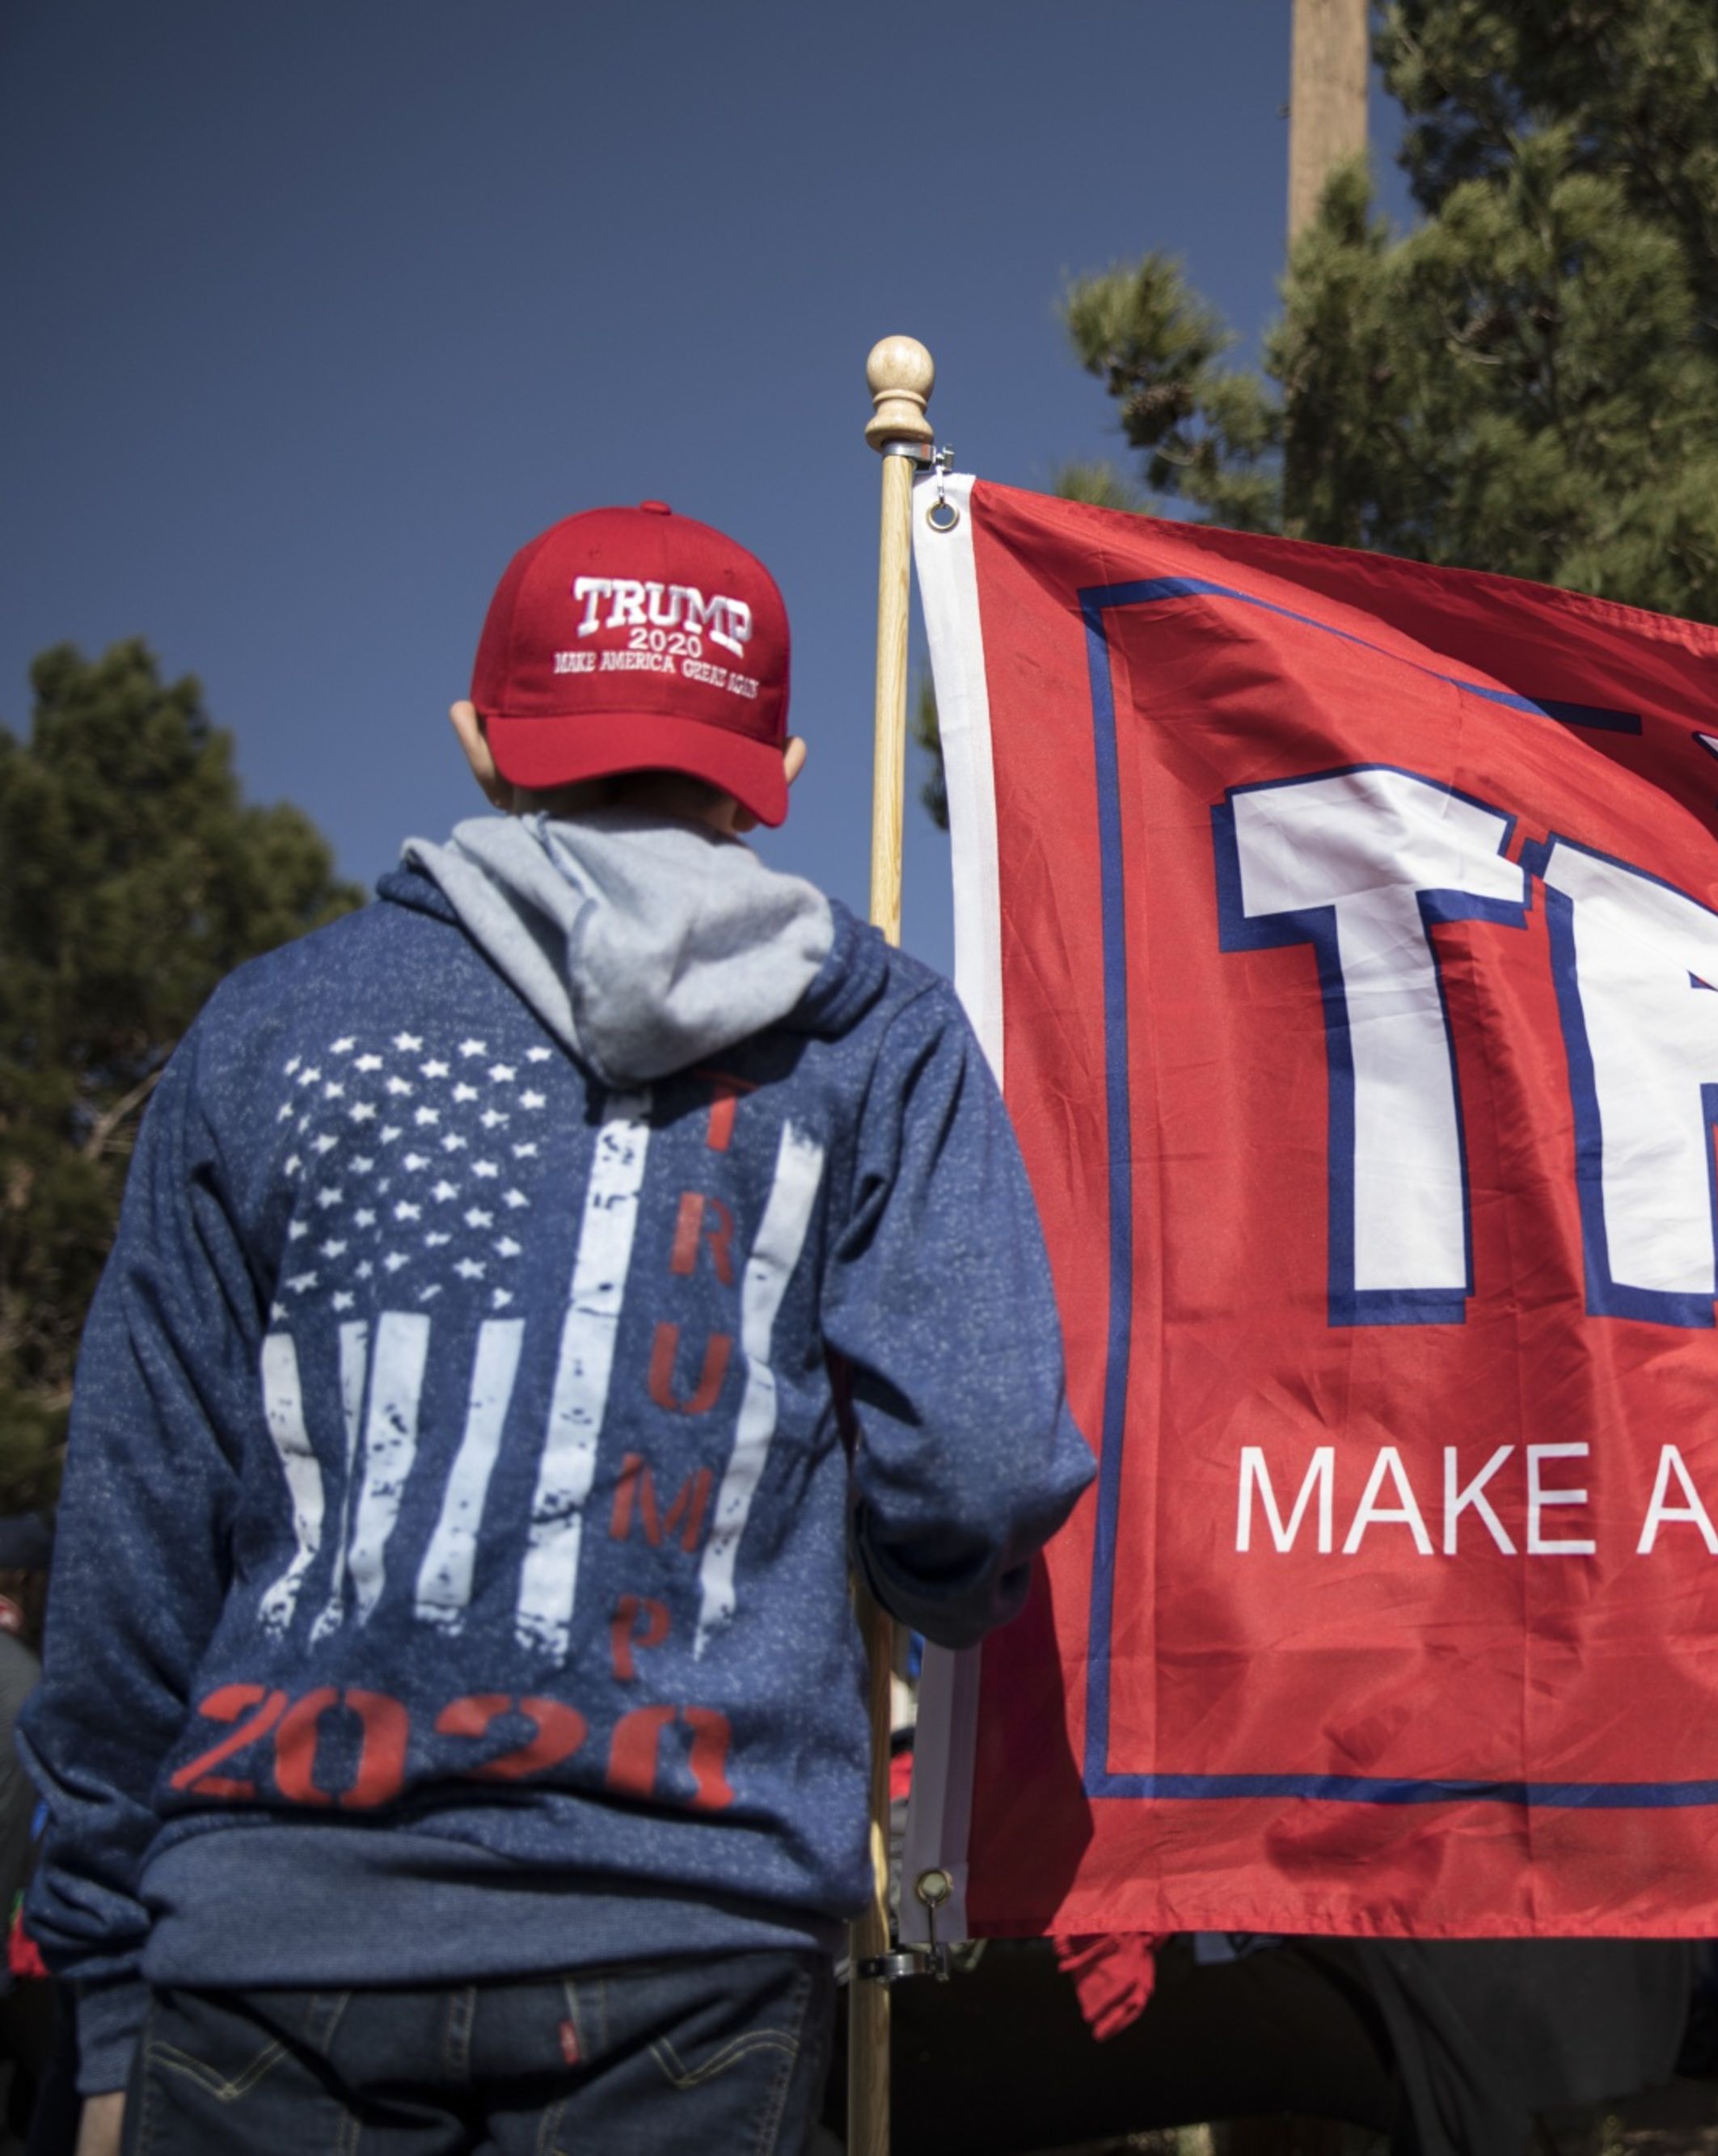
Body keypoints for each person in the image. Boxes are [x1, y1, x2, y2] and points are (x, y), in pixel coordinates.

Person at [17, 500, 1094, 2154]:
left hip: (265, 1944)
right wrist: (935, 1580)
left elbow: (134, 1530)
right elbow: (977, 1467)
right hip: (693, 1942)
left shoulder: (273, 1026)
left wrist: (98, 1992)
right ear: (775, 763)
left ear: (477, 737)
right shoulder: (877, 1033)